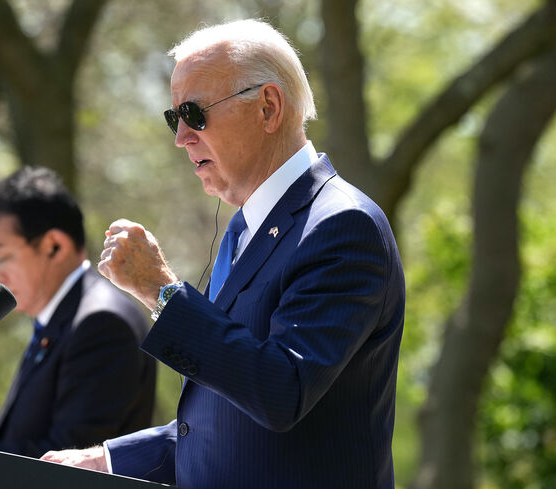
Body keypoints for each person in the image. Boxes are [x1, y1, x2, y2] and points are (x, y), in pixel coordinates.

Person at [40, 19, 405, 489]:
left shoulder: (341, 225)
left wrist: (161, 291)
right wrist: (106, 459)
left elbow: (280, 390)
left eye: (194, 112)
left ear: (268, 107)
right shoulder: (242, 233)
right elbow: (227, 419)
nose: (181, 137)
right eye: (175, 118)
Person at [0, 166, 156, 458]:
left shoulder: (101, 322)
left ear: (54, 246)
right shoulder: (63, 317)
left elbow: (66, 460)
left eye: (1, 256)